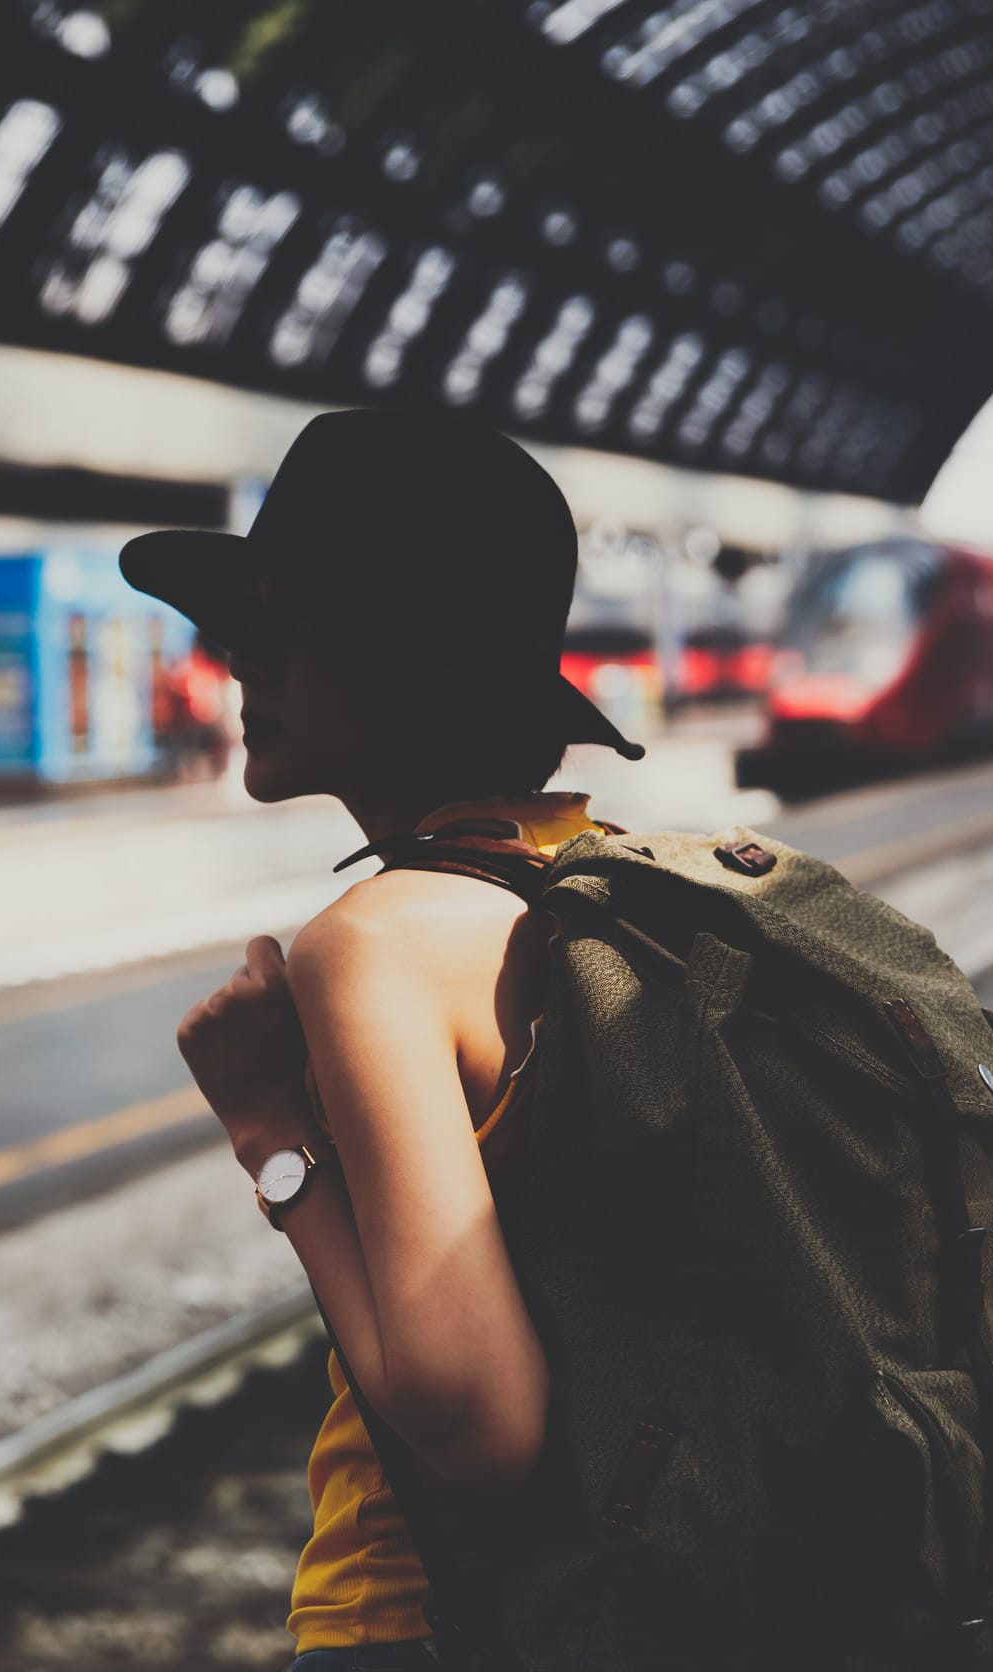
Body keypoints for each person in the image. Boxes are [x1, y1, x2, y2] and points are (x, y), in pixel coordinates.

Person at [119, 411, 647, 1669]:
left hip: (422, 1626)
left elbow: (473, 1416)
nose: (239, 659)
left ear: (420, 666)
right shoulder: (601, 880)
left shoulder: (374, 945)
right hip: (625, 1603)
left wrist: (269, 1135)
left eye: (283, 626)